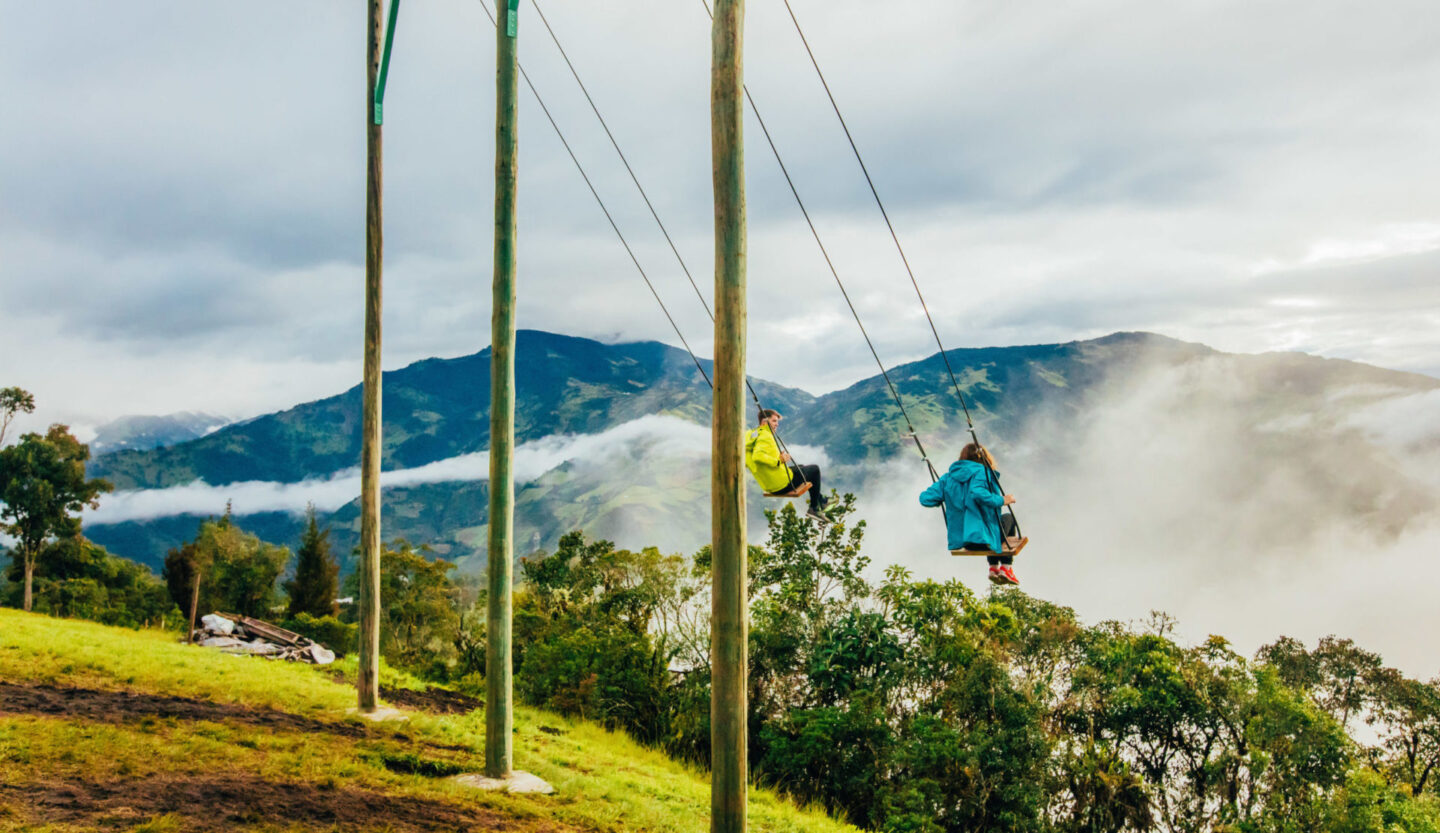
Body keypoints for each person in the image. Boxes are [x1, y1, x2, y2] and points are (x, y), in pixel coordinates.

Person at [919, 442, 1020, 585]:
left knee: (989, 530)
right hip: (984, 538)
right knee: (1008, 519)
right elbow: (977, 493)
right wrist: (1002, 500)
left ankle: (993, 569)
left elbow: (925, 499)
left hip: (964, 541)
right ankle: (1006, 568)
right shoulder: (982, 472)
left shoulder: (948, 478)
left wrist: (944, 497)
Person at [745, 409, 830, 522]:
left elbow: (755, 455)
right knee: (814, 469)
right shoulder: (766, 436)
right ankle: (814, 507)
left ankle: (821, 499)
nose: (777, 424)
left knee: (800, 467)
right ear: (764, 422)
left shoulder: (752, 435)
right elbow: (758, 456)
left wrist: (777, 456)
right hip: (782, 484)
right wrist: (778, 460)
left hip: (769, 484)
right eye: (774, 421)